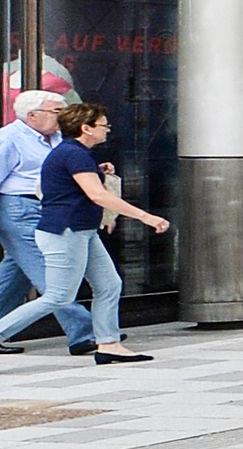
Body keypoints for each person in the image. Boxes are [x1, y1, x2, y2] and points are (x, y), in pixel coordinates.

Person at [0, 102, 166, 363]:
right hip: (65, 232)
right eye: (103, 125)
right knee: (57, 297)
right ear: (86, 128)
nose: (107, 129)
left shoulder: (76, 154)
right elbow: (97, 194)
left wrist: (98, 172)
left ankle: (108, 343)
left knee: (109, 285)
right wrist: (146, 217)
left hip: (82, 230)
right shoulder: (73, 154)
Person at [0, 89, 95, 359]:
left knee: (16, 274)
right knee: (50, 272)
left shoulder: (57, 138)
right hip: (19, 208)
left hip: (46, 208)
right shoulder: (9, 139)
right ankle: (85, 332)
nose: (63, 116)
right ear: (32, 115)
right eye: (57, 111)